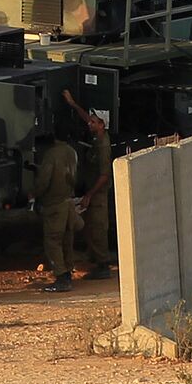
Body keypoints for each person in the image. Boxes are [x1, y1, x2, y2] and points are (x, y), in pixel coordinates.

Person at [62, 90, 114, 279]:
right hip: (93, 192)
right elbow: (86, 117)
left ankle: (103, 265)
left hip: (98, 195)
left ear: (102, 125)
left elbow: (104, 175)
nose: (89, 123)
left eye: (93, 122)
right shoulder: (97, 135)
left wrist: (89, 195)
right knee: (90, 227)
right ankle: (96, 259)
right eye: (90, 121)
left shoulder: (103, 145)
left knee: (97, 229)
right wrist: (73, 104)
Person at [33, 123, 79, 292]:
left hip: (54, 204)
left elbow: (44, 181)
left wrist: (34, 193)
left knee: (53, 241)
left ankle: (61, 278)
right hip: (68, 202)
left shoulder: (51, 154)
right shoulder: (72, 152)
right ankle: (68, 272)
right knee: (67, 239)